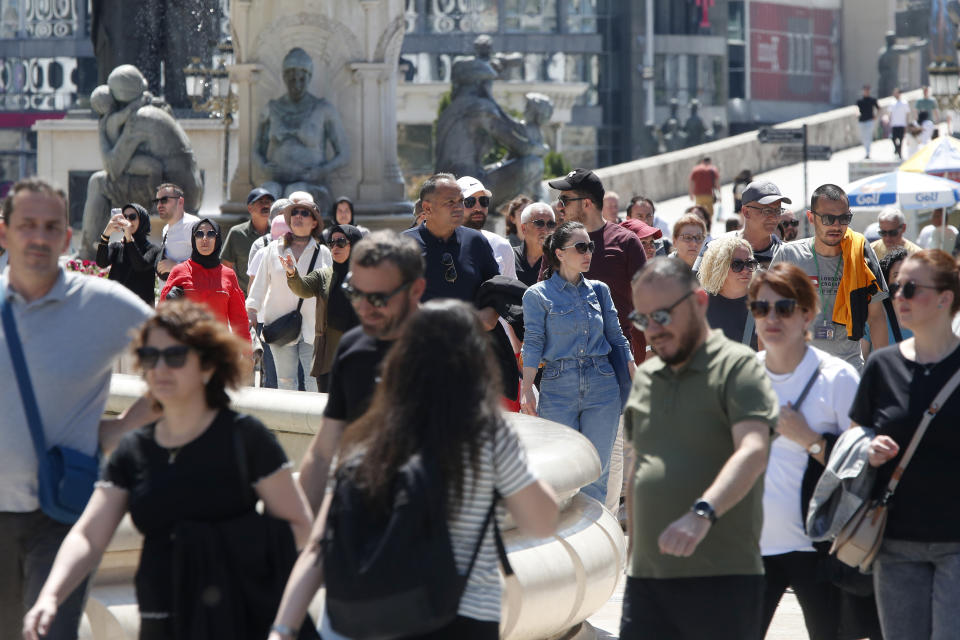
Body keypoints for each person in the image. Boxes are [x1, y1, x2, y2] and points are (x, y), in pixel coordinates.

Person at [22, 301, 313, 640]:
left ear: (207, 366)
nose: (160, 368)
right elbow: (89, 535)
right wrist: (50, 595)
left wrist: (224, 547)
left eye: (174, 357)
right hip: (163, 616)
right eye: (150, 357)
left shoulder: (245, 438)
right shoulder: (134, 451)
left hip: (240, 615)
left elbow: (300, 526)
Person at [269, 299, 559, 640]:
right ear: (475, 363)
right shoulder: (486, 435)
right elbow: (542, 521)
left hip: (367, 618)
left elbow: (320, 544)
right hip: (460, 619)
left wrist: (283, 628)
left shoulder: (368, 433)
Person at [1, 177, 155, 640]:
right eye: (28, 224)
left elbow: (195, 362)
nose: (39, 237)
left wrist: (123, 428)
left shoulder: (104, 305)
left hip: (64, 513)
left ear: (67, 238)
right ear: (4, 231)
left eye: (52, 227)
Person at [622, 256, 777, 640]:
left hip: (721, 578)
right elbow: (638, 467)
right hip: (648, 581)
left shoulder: (738, 367)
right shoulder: (647, 379)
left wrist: (702, 513)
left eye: (661, 315)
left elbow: (754, 450)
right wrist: (633, 560)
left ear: (699, 303)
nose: (653, 330)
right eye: (643, 320)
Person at [749, 263, 861, 640]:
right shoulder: (742, 375)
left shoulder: (839, 378)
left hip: (818, 546)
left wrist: (811, 440)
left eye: (783, 308)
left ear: (807, 313)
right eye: (761, 308)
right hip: (751, 545)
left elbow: (861, 471)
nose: (771, 318)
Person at [853, 249, 960, 640]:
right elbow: (855, 434)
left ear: (946, 298)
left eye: (911, 288)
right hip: (894, 542)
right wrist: (866, 447)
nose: (898, 296)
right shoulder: (882, 366)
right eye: (895, 286)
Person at [297, 231, 426, 512]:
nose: (363, 309)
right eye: (354, 293)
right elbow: (321, 454)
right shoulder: (353, 348)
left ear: (415, 290)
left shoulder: (447, 350)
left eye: (378, 298)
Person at [520, 221, 634, 503]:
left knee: (597, 472)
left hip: (602, 385)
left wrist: (635, 375)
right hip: (558, 388)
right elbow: (532, 344)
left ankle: (598, 543)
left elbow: (618, 339)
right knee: (558, 474)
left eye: (590, 246)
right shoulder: (536, 295)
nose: (588, 253)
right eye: (581, 247)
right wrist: (526, 390)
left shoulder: (599, 290)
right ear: (559, 253)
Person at [772, 183, 889, 371]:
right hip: (800, 369)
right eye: (828, 218)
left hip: (848, 370)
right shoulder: (789, 255)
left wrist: (883, 374)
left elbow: (876, 318)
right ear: (811, 218)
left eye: (844, 218)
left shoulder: (860, 253)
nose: (837, 225)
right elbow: (768, 315)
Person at [548, 169, 647, 362]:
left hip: (614, 358)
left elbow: (647, 303)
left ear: (586, 203)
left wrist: (646, 353)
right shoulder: (556, 243)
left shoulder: (626, 242)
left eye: (565, 200)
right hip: (566, 360)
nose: (560, 207)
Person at [246, 194, 332, 391]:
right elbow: (259, 285)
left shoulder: (324, 253)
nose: (298, 216)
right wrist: (251, 310)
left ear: (314, 223)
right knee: (285, 382)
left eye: (304, 213)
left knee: (313, 382)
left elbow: (328, 292)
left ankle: (312, 423)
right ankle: (287, 424)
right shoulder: (272, 250)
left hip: (313, 328)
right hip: (279, 326)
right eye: (294, 213)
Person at [283, 223, 362, 392]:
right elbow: (302, 289)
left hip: (358, 349)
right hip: (328, 352)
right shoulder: (324, 274)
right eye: (331, 243)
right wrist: (292, 273)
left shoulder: (368, 276)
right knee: (328, 405)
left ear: (354, 245)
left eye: (341, 242)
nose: (335, 247)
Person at [159, 218, 250, 342]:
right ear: (193, 239)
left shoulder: (228, 275)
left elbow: (239, 320)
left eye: (211, 234)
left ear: (217, 239)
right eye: (199, 234)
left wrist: (247, 354)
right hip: (187, 348)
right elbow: (162, 312)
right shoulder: (179, 271)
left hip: (218, 349)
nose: (205, 238)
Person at [696, 180, 788, 272]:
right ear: (746, 212)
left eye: (778, 210)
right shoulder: (714, 248)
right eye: (767, 211)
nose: (774, 217)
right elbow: (697, 284)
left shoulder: (788, 254)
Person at [698, 235, 759, 350]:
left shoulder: (764, 305)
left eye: (750, 263)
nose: (746, 270)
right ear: (719, 267)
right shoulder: (699, 306)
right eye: (737, 265)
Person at [95, 202, 161, 306]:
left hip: (140, 310)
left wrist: (129, 238)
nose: (128, 221)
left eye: (133, 217)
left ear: (142, 220)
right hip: (115, 306)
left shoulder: (153, 249)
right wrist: (106, 234)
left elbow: (140, 265)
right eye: (124, 217)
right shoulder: (117, 246)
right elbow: (101, 263)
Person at [457, 176, 517, 280]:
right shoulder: (444, 245)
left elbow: (510, 292)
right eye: (469, 202)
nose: (478, 208)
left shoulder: (502, 246)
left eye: (483, 201)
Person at [221, 187, 275, 293]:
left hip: (272, 299)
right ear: (250, 208)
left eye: (268, 202)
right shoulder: (237, 233)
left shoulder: (278, 233)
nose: (265, 205)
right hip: (244, 298)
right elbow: (226, 267)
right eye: (260, 202)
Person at [153, 182, 199, 282]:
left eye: (164, 200)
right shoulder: (165, 228)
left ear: (180, 202)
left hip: (187, 296)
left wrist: (176, 266)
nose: (159, 205)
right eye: (157, 201)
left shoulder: (193, 225)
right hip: (168, 294)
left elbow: (207, 263)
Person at [513, 202, 555, 287]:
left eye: (550, 224)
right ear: (524, 228)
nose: (546, 230)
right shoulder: (509, 256)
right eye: (539, 223)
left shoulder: (559, 261)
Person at [879, 247, 913, 344]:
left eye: (907, 273)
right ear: (887, 282)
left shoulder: (929, 314)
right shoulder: (876, 316)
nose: (902, 278)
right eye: (896, 275)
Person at [857, 85, 880, 159]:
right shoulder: (860, 101)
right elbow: (856, 109)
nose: (866, 92)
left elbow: (879, 108)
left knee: (868, 136)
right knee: (864, 137)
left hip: (870, 120)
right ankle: (866, 151)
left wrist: (876, 116)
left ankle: (868, 152)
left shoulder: (872, 100)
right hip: (861, 121)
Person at [888, 88, 911, 159]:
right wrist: (890, 122)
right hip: (894, 124)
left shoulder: (904, 103)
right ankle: (897, 149)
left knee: (901, 139)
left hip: (902, 124)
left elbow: (907, 114)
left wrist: (907, 124)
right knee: (893, 138)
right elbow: (890, 113)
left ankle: (900, 153)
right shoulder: (892, 103)